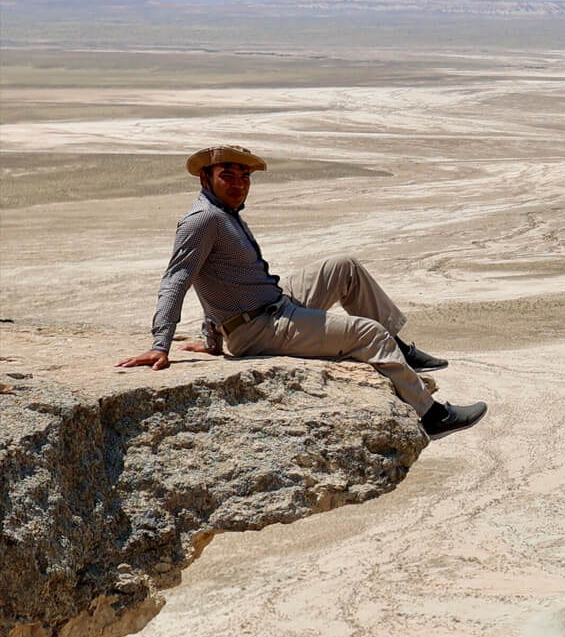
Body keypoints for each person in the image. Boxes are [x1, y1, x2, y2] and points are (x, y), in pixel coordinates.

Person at [115, 144, 487, 438]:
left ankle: (400, 348)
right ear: (205, 180)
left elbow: (219, 281)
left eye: (244, 176)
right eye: (228, 175)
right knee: (368, 335)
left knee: (343, 267)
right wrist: (160, 344)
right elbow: (178, 278)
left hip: (271, 304)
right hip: (259, 326)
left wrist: (211, 338)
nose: (239, 182)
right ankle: (432, 415)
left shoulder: (224, 213)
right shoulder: (203, 219)